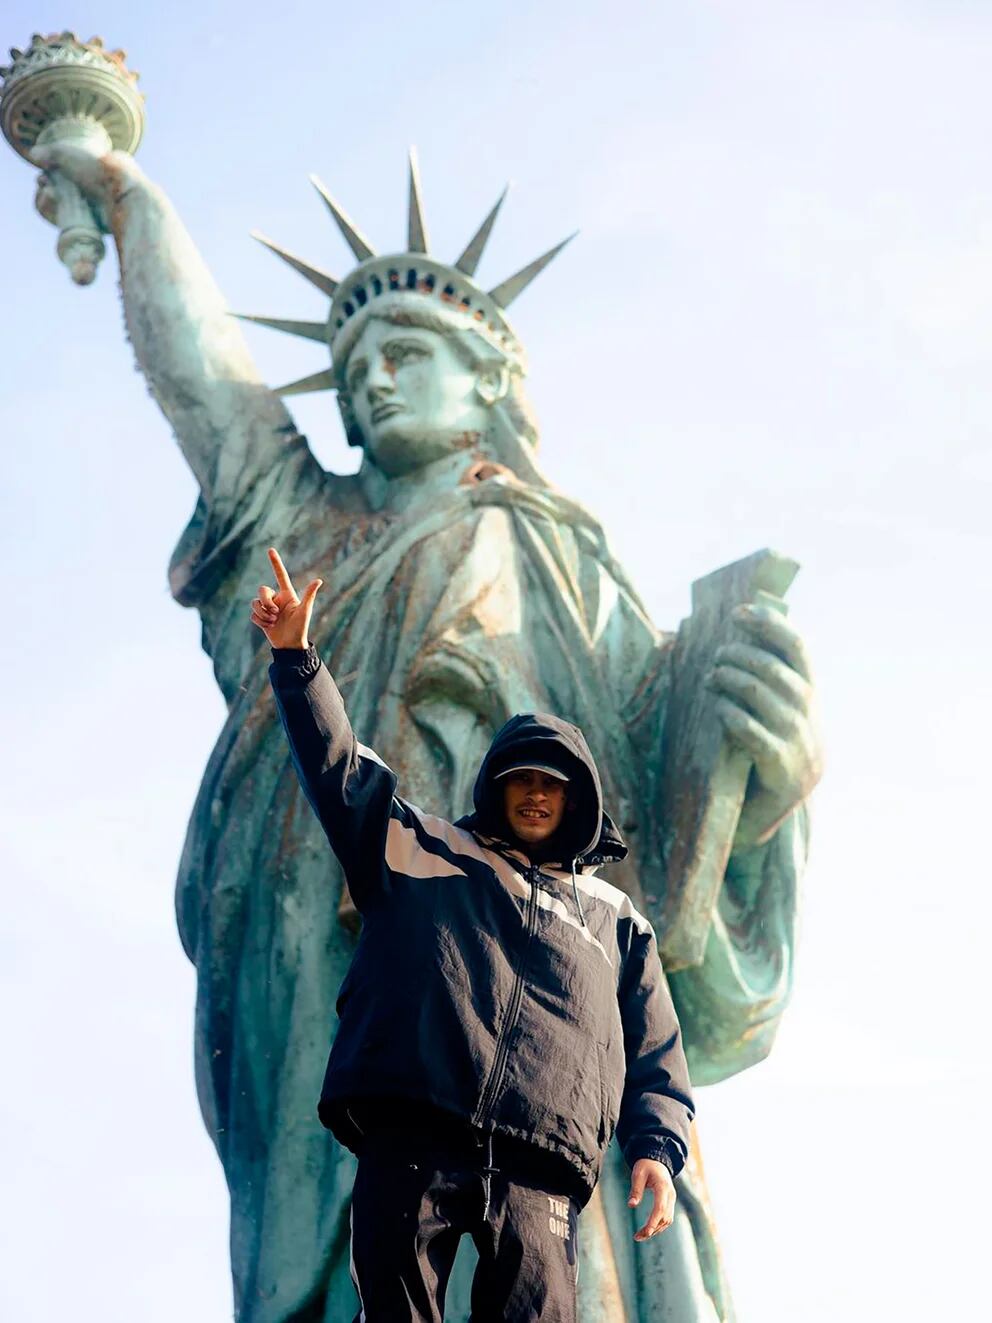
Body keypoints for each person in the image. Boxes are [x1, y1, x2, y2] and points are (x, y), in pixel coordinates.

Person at [252, 546, 695, 1322]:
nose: (534, 794)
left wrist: (657, 1150)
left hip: (539, 1161)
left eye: (551, 785)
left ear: (576, 803)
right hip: (414, 1128)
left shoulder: (615, 921)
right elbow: (337, 769)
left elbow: (657, 1053)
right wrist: (297, 661)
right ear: (496, 786)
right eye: (521, 778)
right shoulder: (422, 848)